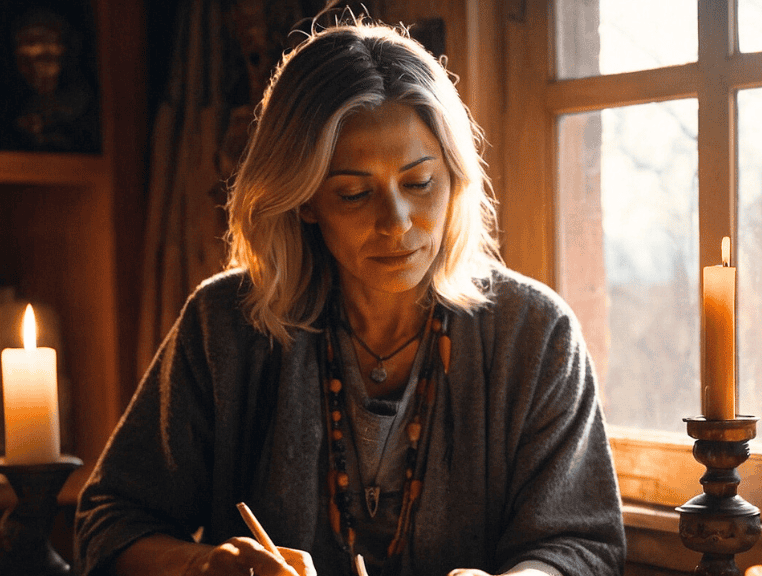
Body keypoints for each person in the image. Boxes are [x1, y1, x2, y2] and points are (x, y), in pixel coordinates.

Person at [74, 15, 625, 576]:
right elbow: (109, 524)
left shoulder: (534, 333)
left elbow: (581, 544)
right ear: (304, 198)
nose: (398, 223)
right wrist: (210, 566)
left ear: (455, 177)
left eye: (419, 183)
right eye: (355, 193)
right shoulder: (226, 327)